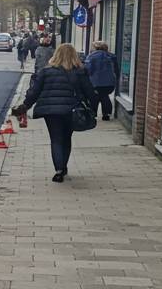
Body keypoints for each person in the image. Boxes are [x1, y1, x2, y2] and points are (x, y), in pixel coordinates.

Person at [12, 44, 96, 183]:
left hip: (50, 111)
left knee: (56, 139)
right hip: (71, 109)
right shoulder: (80, 72)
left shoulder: (46, 71)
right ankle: (63, 166)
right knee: (66, 138)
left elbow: (34, 92)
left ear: (56, 54)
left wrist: (26, 106)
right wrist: (92, 109)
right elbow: (90, 92)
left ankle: (58, 170)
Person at [83, 41, 117, 120]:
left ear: (95, 48)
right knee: (104, 96)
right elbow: (116, 70)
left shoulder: (91, 57)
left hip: (95, 82)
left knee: (95, 97)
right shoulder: (112, 56)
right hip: (109, 83)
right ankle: (106, 114)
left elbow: (88, 70)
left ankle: (93, 113)